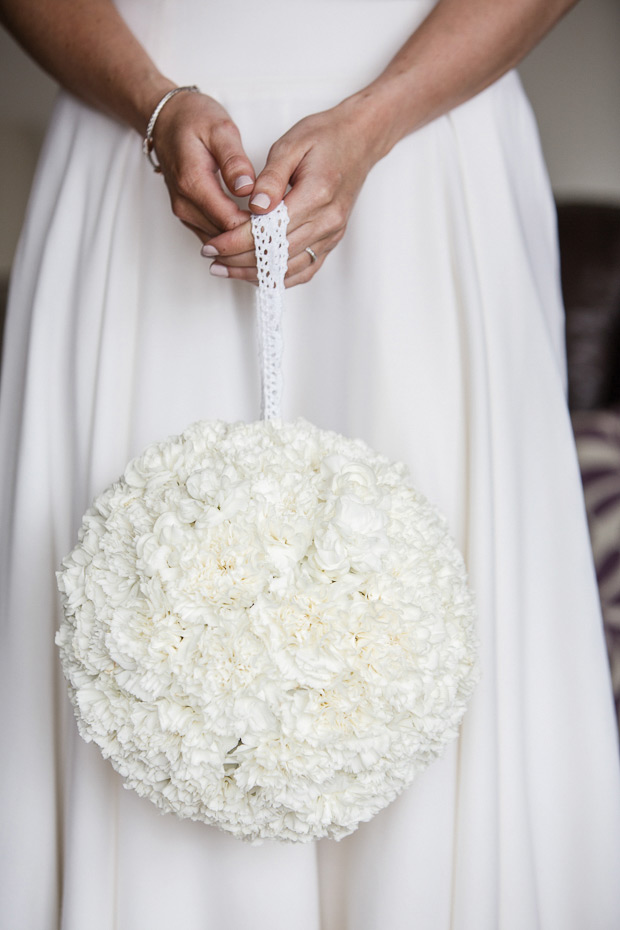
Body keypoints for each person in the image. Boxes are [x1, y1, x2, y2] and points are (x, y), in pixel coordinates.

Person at [1, 0, 620, 927]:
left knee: (424, 610)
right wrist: (154, 105)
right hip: (131, 126)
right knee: (132, 617)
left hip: (423, 149)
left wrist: (375, 121)